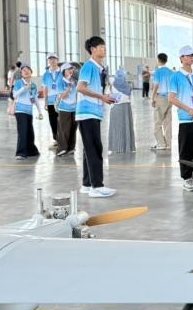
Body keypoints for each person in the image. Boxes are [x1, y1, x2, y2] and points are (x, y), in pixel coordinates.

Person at [76, 36, 116, 198]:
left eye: (104, 47)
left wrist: (105, 97)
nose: (104, 49)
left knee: (89, 148)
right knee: (95, 149)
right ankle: (97, 186)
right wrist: (101, 97)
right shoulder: (89, 66)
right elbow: (80, 87)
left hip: (93, 112)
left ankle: (87, 184)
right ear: (92, 49)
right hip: (87, 112)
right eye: (101, 47)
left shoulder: (99, 68)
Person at [169, 46, 193, 192]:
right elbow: (171, 98)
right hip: (186, 119)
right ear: (181, 58)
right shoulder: (175, 76)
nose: (192, 58)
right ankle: (187, 178)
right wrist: (189, 110)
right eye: (189, 55)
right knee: (186, 149)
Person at [11, 63, 42, 160]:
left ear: (31, 72)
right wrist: (23, 88)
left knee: (30, 132)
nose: (26, 71)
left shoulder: (33, 85)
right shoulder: (18, 82)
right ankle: (20, 153)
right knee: (23, 131)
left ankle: (31, 151)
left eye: (28, 69)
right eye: (24, 70)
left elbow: (35, 98)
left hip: (29, 111)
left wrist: (40, 111)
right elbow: (14, 95)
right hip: (20, 110)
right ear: (21, 73)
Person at [108, 68, 136, 154]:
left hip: (116, 108)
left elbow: (110, 96)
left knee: (116, 128)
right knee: (126, 127)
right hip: (126, 108)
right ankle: (127, 147)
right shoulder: (127, 86)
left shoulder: (113, 85)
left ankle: (117, 147)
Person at [151, 53, 174, 150]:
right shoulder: (171, 72)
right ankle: (168, 143)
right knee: (168, 122)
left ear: (158, 60)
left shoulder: (158, 71)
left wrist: (153, 98)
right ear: (166, 60)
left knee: (157, 122)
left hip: (161, 98)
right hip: (170, 98)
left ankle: (161, 143)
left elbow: (156, 86)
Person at [56, 63, 78, 156]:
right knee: (64, 129)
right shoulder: (60, 81)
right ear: (63, 71)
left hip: (74, 108)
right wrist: (69, 87)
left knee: (73, 128)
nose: (71, 70)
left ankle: (71, 148)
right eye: (68, 69)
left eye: (71, 69)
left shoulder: (75, 81)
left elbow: (77, 93)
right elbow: (62, 96)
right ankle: (62, 148)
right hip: (64, 109)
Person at [41, 53, 61, 146]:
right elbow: (45, 88)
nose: (52, 61)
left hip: (61, 100)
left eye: (54, 59)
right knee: (52, 121)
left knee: (62, 120)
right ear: (48, 61)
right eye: (50, 59)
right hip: (50, 101)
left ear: (57, 60)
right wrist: (45, 101)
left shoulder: (62, 72)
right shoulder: (45, 74)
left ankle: (63, 139)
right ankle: (56, 139)